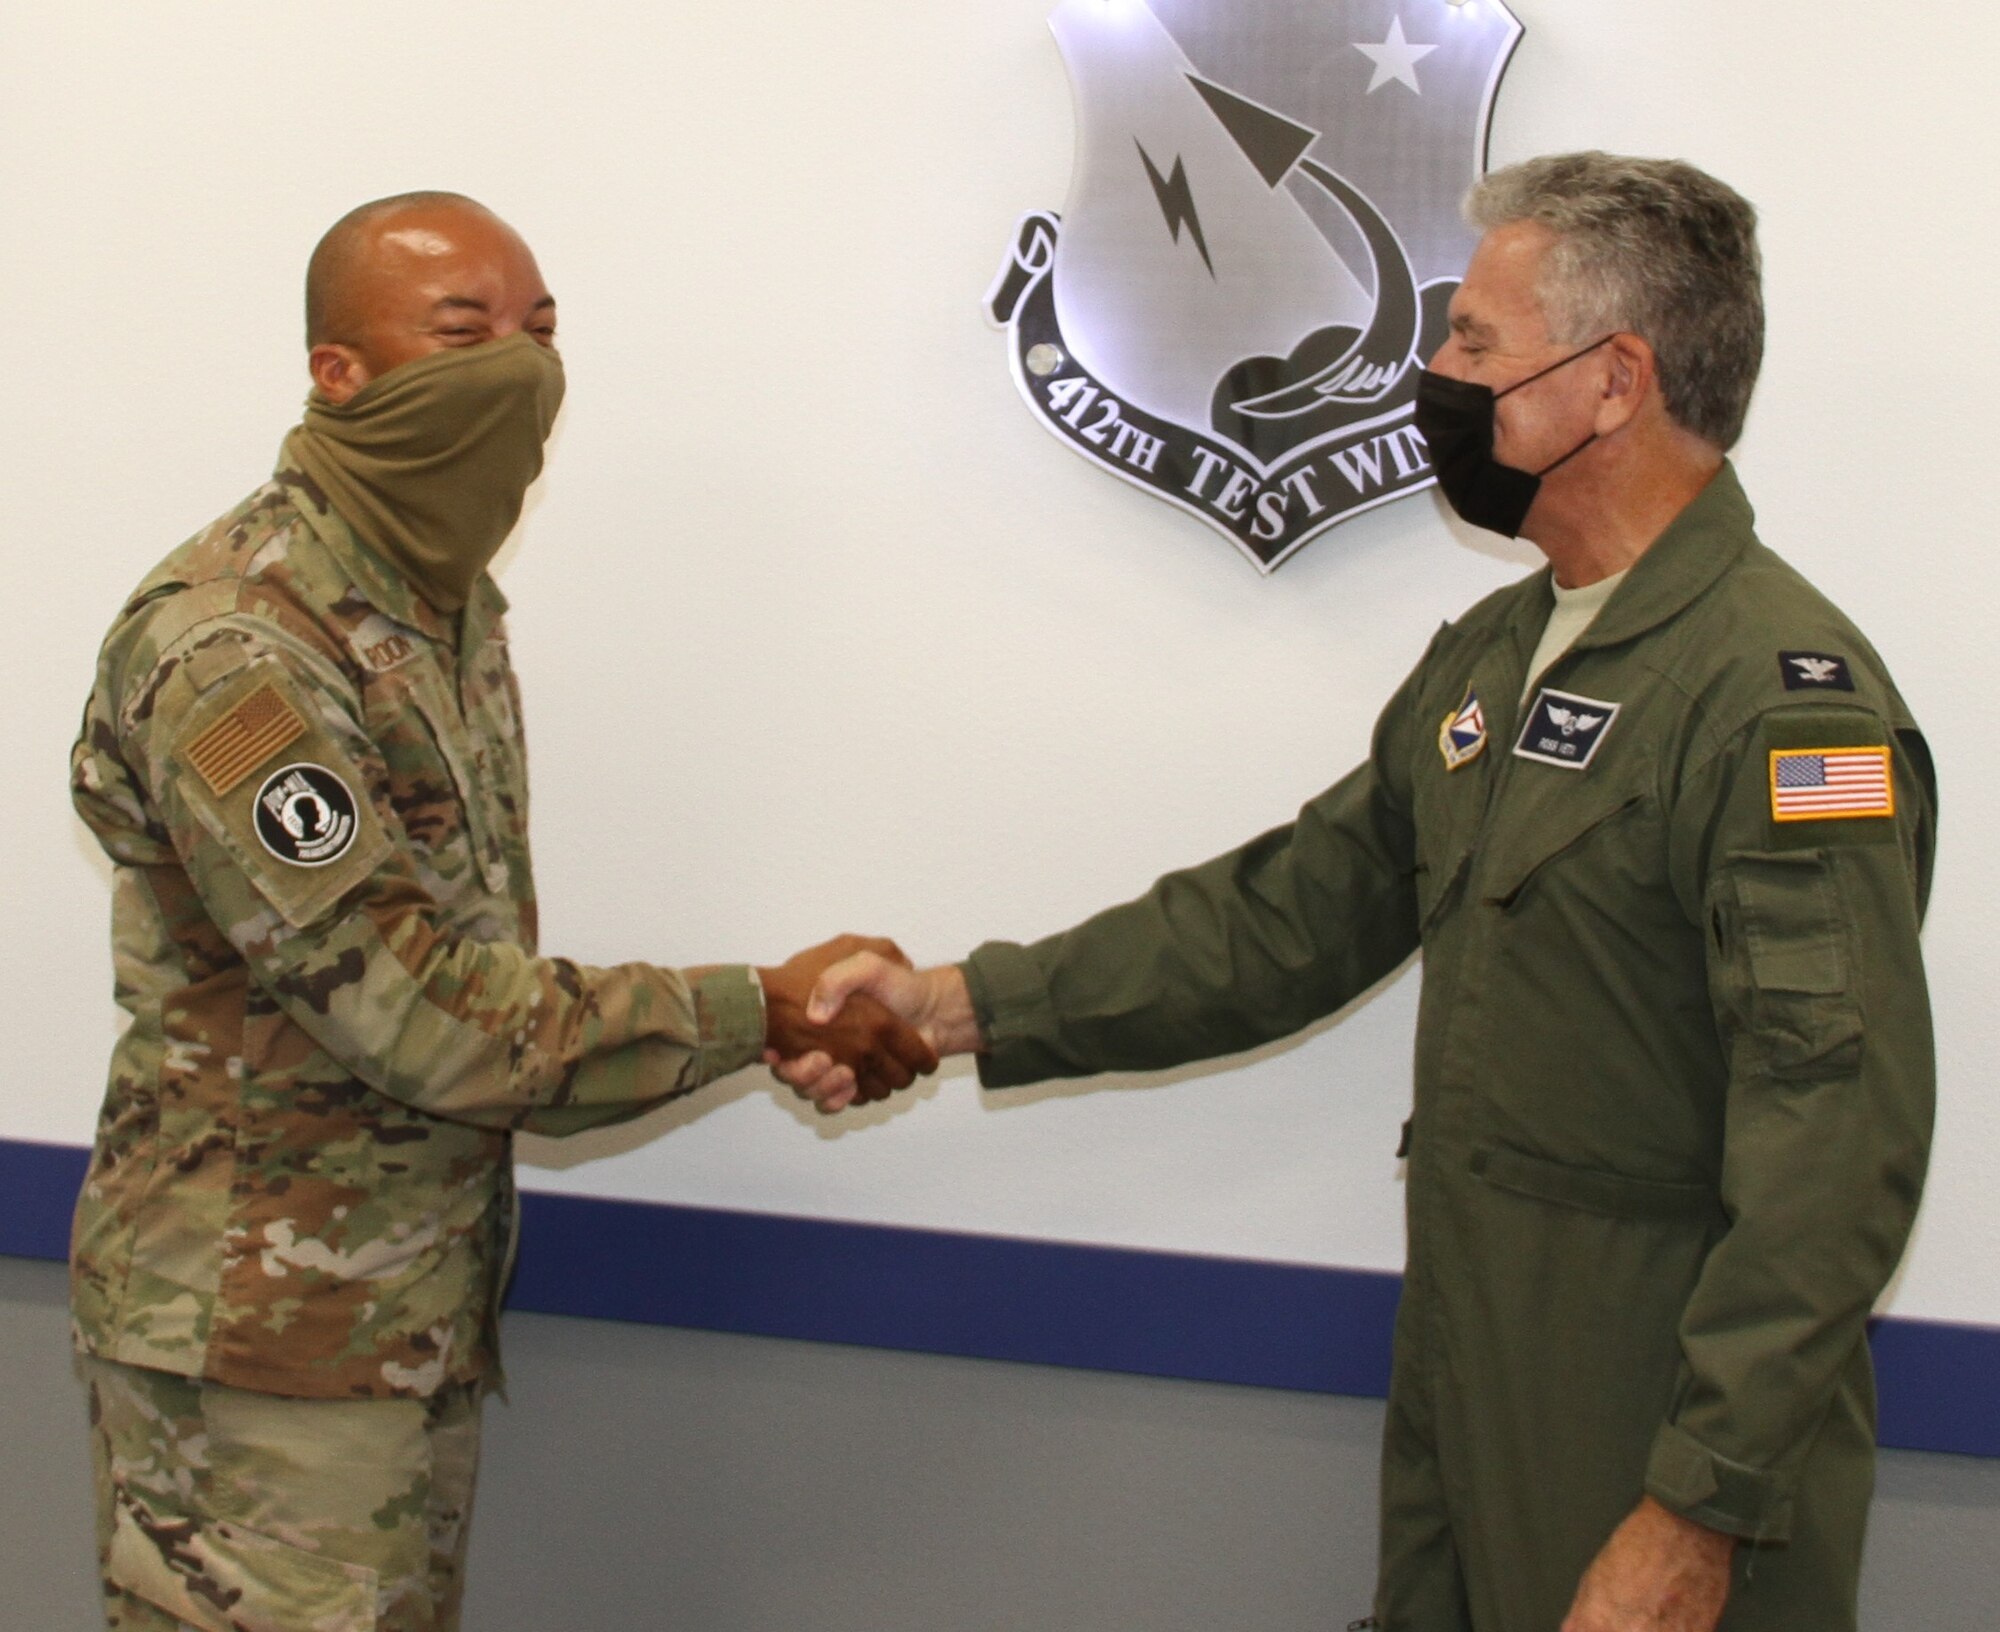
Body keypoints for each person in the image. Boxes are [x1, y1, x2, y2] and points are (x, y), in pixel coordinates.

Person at [786, 153, 1935, 1632]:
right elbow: (1282, 917)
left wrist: (1698, 1504)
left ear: (1612, 382)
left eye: (1474, 343)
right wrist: (957, 1007)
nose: (1433, 375)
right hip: (1469, 1380)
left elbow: (1833, 1151)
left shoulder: (1780, 707)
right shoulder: (1496, 662)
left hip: (1653, 1423)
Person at [68, 190, 934, 1632]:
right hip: (258, 1360)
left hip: (389, 1327)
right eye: (463, 331)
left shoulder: (438, 613)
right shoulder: (239, 646)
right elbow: (421, 1015)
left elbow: (473, 1002)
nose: (520, 368)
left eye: (541, 333)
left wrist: (758, 1017)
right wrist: (758, 1007)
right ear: (336, 372)